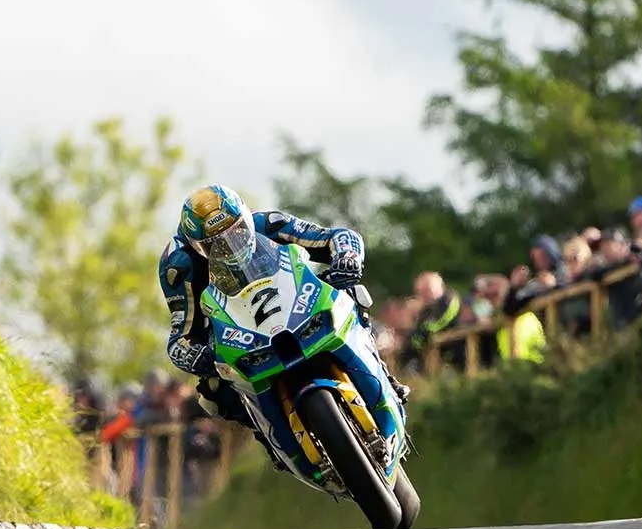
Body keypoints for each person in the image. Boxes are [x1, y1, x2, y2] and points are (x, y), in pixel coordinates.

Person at [157, 185, 411, 456]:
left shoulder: (267, 224)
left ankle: (381, 370)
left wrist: (347, 258)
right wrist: (194, 355)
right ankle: (264, 432)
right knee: (212, 392)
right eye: (213, 244)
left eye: (236, 231)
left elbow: (334, 237)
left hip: (291, 303)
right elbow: (181, 333)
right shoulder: (180, 267)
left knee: (350, 294)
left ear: (245, 216)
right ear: (196, 246)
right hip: (230, 324)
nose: (229, 246)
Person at [408, 271, 464, 369]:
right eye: (420, 292)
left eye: (426, 290)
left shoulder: (450, 298)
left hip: (457, 347)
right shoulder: (426, 309)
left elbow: (443, 321)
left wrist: (424, 331)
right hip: (437, 354)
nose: (423, 295)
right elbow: (416, 334)